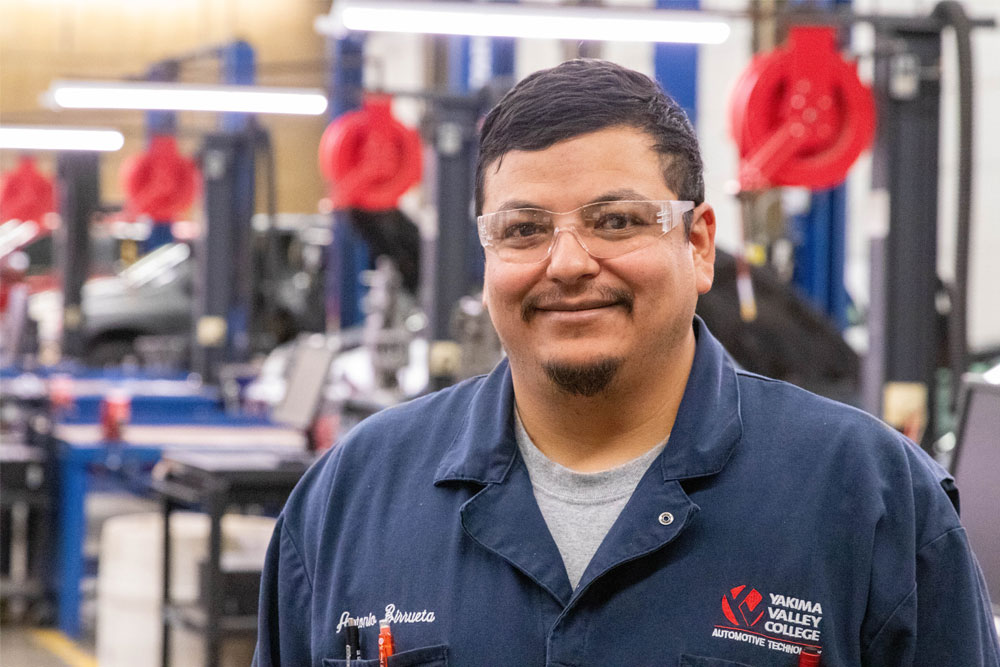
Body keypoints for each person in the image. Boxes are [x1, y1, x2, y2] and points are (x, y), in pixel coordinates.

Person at [253, 59, 999, 666]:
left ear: (699, 244)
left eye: (617, 221)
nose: (569, 263)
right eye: (524, 228)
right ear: (487, 254)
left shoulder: (869, 499)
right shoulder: (348, 500)